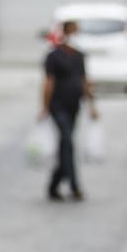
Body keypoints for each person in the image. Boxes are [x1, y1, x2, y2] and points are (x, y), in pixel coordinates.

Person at [41, 19, 98, 202]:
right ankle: (74, 186)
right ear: (66, 34)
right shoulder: (53, 56)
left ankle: (54, 185)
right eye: (74, 32)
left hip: (74, 105)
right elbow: (48, 83)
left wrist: (92, 106)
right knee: (67, 141)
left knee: (66, 145)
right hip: (57, 106)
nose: (77, 36)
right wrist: (44, 107)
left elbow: (84, 80)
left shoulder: (79, 56)